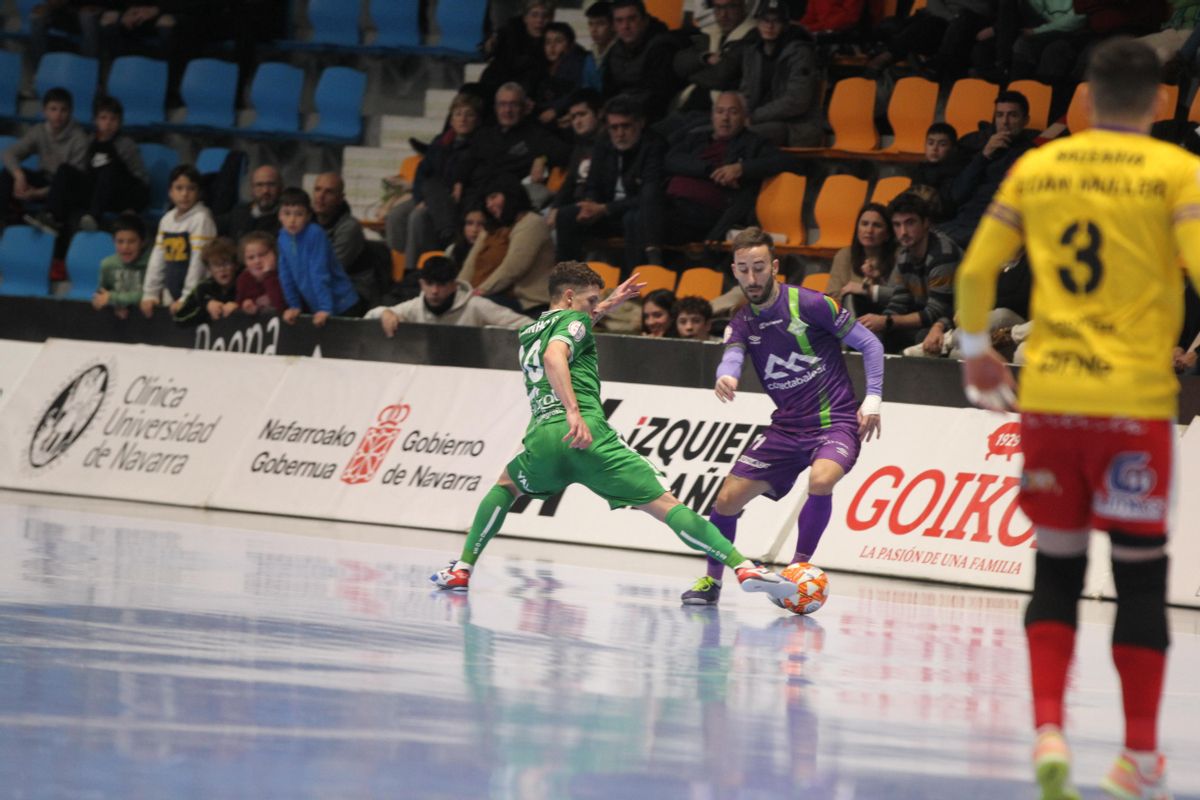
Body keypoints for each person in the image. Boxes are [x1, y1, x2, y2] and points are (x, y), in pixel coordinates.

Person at [955, 37, 1192, 800]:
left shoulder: (1039, 166)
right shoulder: (1177, 172)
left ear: (1084, 98)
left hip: (1052, 399)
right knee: (1141, 579)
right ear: (1159, 102)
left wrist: (973, 352)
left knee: (1055, 571)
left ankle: (1049, 728)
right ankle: (1140, 758)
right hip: (1134, 407)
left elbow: (973, 269)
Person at [430, 260, 799, 605]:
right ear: (571, 297)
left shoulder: (531, 329)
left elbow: (565, 332)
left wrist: (606, 304)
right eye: (590, 300)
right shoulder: (572, 326)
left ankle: (462, 569)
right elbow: (556, 354)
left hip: (543, 439)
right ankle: (744, 566)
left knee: (506, 486)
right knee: (667, 506)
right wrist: (574, 411)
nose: (595, 308)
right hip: (586, 434)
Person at [679, 227, 883, 605]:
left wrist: (872, 399)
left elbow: (869, 343)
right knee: (725, 501)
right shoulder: (742, 320)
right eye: (743, 269)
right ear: (734, 271)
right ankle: (712, 583)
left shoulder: (810, 304)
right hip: (787, 429)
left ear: (774, 266)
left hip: (835, 421)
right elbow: (734, 352)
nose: (752, 278)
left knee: (822, 479)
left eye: (759, 268)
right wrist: (727, 373)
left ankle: (797, 571)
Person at [659, 91, 794, 252]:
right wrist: (709, 169)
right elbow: (670, 160)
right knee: (638, 215)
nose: (725, 118)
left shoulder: (753, 143)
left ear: (745, 116)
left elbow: (788, 162)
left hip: (706, 212)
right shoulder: (695, 138)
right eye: (720, 111)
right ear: (712, 115)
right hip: (671, 203)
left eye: (733, 112)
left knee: (642, 221)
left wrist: (741, 168)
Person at [554, 94, 667, 268]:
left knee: (633, 218)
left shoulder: (653, 146)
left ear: (640, 123)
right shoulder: (604, 142)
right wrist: (590, 204)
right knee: (565, 215)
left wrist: (605, 209)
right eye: (614, 128)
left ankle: (633, 282)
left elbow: (649, 196)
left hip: (636, 211)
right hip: (605, 212)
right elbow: (593, 184)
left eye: (626, 126)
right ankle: (568, 278)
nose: (620, 133)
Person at [33, 95, 148, 240]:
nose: (108, 123)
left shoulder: (126, 145)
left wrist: (133, 207)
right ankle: (51, 216)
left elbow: (141, 181)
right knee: (64, 170)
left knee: (109, 168)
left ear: (120, 122)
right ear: (95, 120)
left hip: (118, 196)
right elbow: (82, 173)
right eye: (103, 118)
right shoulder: (88, 142)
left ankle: (94, 218)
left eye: (113, 119)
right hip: (95, 193)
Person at [859, 192, 960, 354]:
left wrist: (886, 321)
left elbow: (936, 312)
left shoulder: (943, 253)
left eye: (910, 223)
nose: (903, 232)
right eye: (897, 225)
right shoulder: (905, 255)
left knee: (919, 336)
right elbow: (899, 302)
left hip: (952, 322)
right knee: (873, 336)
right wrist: (877, 325)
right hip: (929, 321)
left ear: (926, 223)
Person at [386, 92, 482, 261]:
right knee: (396, 215)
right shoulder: (441, 141)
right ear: (451, 119)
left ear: (477, 119)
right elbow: (422, 172)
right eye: (458, 114)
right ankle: (400, 261)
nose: (463, 119)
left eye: (469, 115)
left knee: (418, 217)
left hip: (452, 202)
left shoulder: (481, 144)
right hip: (429, 196)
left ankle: (412, 269)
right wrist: (419, 199)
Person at [940, 91, 1037, 248]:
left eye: (1012, 115)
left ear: (1025, 120)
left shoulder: (1031, 155)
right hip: (962, 221)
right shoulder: (979, 146)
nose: (1005, 122)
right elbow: (958, 194)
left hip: (991, 227)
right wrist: (984, 155)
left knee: (935, 248)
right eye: (999, 115)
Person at [459, 178, 556, 314]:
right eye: (487, 201)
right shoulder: (490, 229)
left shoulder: (532, 223)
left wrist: (478, 292)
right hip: (496, 296)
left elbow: (513, 268)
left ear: (511, 195)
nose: (489, 204)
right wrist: (458, 292)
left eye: (493, 197)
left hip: (530, 303)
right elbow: (470, 264)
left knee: (473, 306)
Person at [365, 255, 531, 333]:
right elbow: (369, 317)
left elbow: (527, 325)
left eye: (441, 285)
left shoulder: (476, 305)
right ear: (422, 284)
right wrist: (386, 313)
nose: (435, 291)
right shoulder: (415, 307)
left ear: (454, 285)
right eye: (429, 284)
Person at [738, 0, 823, 148]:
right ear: (757, 22)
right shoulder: (752, 51)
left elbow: (797, 101)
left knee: (744, 138)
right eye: (765, 20)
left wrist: (754, 117)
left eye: (776, 21)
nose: (769, 26)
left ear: (785, 25)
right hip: (759, 120)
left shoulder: (800, 52)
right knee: (708, 131)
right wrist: (738, 114)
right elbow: (746, 92)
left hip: (795, 127)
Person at [277, 187, 366, 327]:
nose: (292, 220)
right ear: (279, 216)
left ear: (308, 215)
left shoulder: (315, 234)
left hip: (343, 304)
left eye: (298, 214)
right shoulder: (283, 237)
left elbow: (319, 273)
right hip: (319, 307)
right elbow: (285, 274)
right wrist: (294, 305)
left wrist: (325, 308)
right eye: (287, 214)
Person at [1, 87, 87, 226]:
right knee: (8, 173)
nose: (58, 115)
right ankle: (4, 220)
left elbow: (75, 180)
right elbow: (9, 153)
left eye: (63, 110)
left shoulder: (80, 138)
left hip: (65, 190)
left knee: (64, 171)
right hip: (44, 180)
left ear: (70, 112)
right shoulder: (39, 130)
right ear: (44, 111)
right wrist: (19, 176)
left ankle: (50, 220)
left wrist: (38, 193)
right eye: (53, 109)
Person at [139, 164, 216, 317]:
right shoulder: (167, 220)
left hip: (196, 295)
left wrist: (188, 296)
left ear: (199, 192)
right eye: (179, 188)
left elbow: (198, 262)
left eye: (191, 188)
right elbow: (158, 258)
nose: (185, 194)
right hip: (171, 293)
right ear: (170, 192)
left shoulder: (201, 219)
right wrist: (150, 293)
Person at [602, 0, 685, 121]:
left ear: (645, 21)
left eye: (632, 19)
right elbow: (608, 91)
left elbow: (659, 96)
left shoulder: (662, 48)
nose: (625, 26)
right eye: (619, 21)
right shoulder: (614, 51)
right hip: (620, 114)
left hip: (651, 117)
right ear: (614, 26)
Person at [673, 0, 755, 113]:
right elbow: (679, 64)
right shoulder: (711, 33)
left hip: (722, 112)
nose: (723, 14)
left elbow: (722, 77)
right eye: (718, 8)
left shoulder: (753, 36)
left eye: (730, 7)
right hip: (692, 105)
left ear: (743, 7)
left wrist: (692, 75)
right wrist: (705, 58)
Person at [826, 202, 897, 316]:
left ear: (887, 234)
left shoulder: (899, 256)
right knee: (850, 297)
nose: (869, 230)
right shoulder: (844, 255)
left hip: (886, 316)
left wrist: (875, 282)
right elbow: (833, 295)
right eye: (864, 224)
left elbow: (900, 296)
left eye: (877, 225)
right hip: (848, 315)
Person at [92, 212, 148, 319]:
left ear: (142, 242)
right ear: (113, 242)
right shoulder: (107, 265)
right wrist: (114, 305)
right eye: (120, 241)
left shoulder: (151, 264)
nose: (125, 247)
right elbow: (101, 295)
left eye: (131, 241)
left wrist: (114, 298)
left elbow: (148, 295)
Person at [172, 236, 239, 325]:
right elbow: (179, 319)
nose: (222, 269)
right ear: (209, 269)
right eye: (216, 265)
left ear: (235, 265)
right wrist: (206, 306)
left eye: (226, 263)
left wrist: (239, 307)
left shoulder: (244, 283)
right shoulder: (203, 288)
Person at [535, 21, 588, 124]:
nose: (552, 47)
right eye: (548, 42)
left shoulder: (576, 63)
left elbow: (577, 92)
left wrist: (556, 110)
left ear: (570, 44)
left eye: (558, 41)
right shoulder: (546, 66)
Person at [912, 122, 966, 222]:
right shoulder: (920, 170)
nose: (934, 148)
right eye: (930, 143)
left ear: (953, 148)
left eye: (942, 144)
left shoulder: (956, 173)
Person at [220, 164, 282, 242]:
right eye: (259, 185)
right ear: (252, 189)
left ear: (280, 187)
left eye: (271, 184)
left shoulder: (288, 219)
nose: (265, 190)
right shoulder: (238, 213)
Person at [235, 230, 285, 316]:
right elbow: (238, 307)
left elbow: (281, 307)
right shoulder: (244, 279)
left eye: (262, 255)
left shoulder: (282, 274)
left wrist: (269, 275)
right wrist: (245, 306)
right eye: (251, 258)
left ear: (274, 254)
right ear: (244, 262)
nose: (257, 261)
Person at [582, 1, 617, 90]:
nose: (594, 30)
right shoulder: (589, 57)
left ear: (613, 25)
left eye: (600, 24)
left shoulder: (622, 53)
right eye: (590, 24)